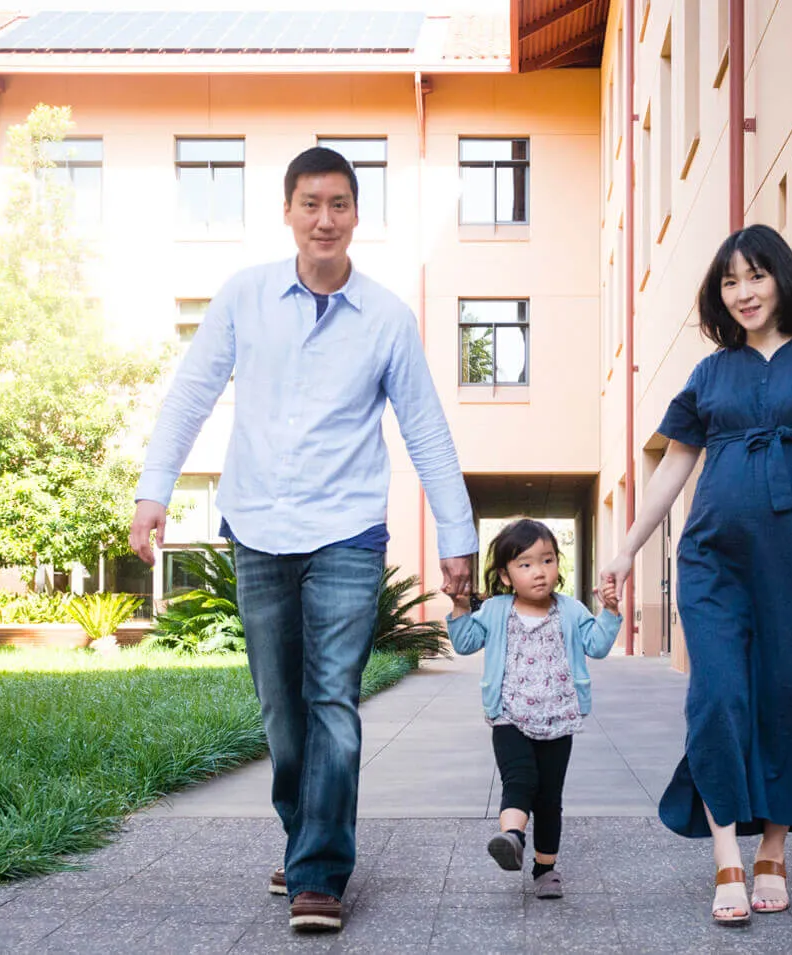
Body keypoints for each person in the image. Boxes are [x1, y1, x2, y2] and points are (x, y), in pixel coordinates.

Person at [129, 147, 476, 934]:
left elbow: (425, 427)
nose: (325, 219)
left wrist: (458, 538)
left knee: (331, 698)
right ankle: (304, 830)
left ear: (358, 214)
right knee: (282, 711)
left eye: (340, 204)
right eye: (311, 203)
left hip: (348, 529)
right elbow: (190, 394)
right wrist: (155, 491)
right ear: (288, 211)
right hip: (258, 525)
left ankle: (319, 869)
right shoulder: (244, 298)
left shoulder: (387, 315)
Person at [599, 224, 792, 927]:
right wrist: (626, 550)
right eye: (730, 280)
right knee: (718, 698)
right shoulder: (711, 373)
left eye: (756, 275)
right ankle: (727, 855)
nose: (743, 292)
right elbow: (673, 465)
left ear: (784, 279)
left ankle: (774, 846)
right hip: (713, 560)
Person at [446, 519, 620, 900]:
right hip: (509, 715)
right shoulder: (495, 610)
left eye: (547, 560)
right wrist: (460, 608)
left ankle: (545, 869)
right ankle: (511, 837)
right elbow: (465, 642)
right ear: (506, 577)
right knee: (519, 779)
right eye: (525, 564)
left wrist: (608, 612)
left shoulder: (571, 610)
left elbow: (597, 646)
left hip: (559, 717)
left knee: (549, 798)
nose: (539, 572)